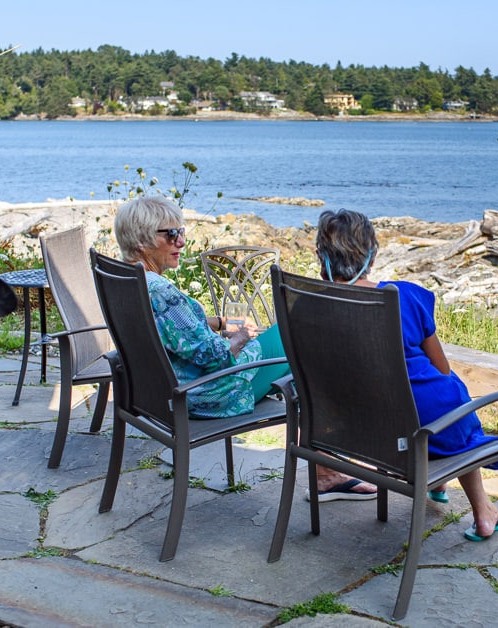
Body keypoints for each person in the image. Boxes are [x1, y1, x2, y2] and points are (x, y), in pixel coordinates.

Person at [113, 197, 377, 500]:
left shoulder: (129, 279)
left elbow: (169, 330)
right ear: (143, 239)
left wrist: (218, 322)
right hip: (209, 394)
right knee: (305, 343)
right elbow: (214, 357)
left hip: (164, 391)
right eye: (171, 234)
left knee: (296, 344)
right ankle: (327, 472)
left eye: (181, 232)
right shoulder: (162, 292)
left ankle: (327, 469)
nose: (182, 242)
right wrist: (238, 340)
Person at [315, 208, 498, 540]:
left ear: (322, 258)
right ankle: (484, 512)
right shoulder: (402, 296)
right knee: (452, 395)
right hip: (419, 430)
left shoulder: (311, 305)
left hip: (363, 432)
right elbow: (442, 368)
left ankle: (443, 484)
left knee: (434, 400)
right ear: (372, 253)